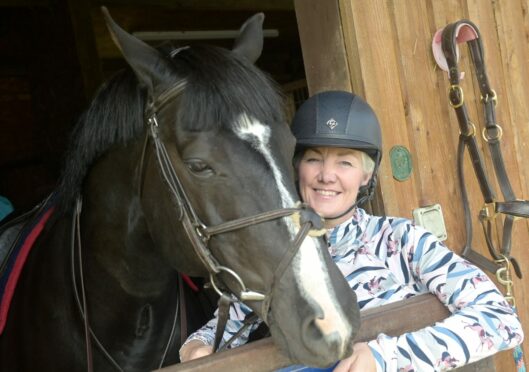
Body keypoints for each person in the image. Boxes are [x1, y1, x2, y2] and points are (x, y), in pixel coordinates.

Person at [179, 91, 524, 371]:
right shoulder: (271, 256)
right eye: (314, 158)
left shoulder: (398, 240)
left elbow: (500, 319)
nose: (326, 175)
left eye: (344, 161)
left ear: (365, 176)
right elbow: (221, 332)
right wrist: (196, 348)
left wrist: (384, 358)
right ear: (295, 168)